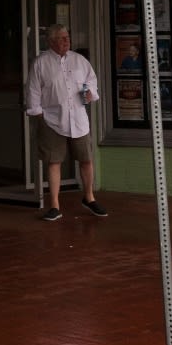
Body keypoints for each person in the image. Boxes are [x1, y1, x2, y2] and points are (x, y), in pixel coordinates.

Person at [25, 22, 108, 222]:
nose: (66, 41)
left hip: (79, 119)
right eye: (62, 38)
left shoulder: (80, 61)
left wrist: (91, 93)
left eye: (67, 37)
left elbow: (92, 81)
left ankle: (89, 197)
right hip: (52, 120)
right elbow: (33, 91)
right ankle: (54, 205)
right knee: (54, 162)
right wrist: (38, 115)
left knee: (86, 159)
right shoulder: (41, 63)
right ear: (51, 41)